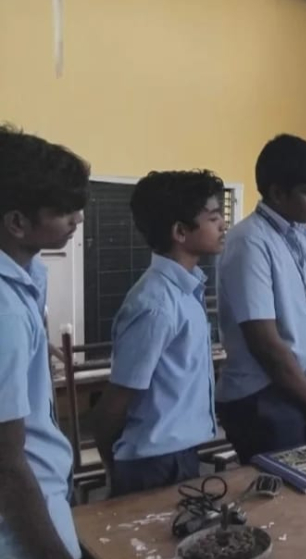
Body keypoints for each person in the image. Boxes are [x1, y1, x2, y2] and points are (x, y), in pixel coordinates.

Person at [0, 124, 91, 559]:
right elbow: (7, 461)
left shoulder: (25, 278)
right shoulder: (5, 311)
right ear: (17, 222)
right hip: (20, 546)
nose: (78, 220)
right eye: (65, 211)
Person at [93, 171, 228, 497]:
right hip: (152, 462)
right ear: (180, 232)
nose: (223, 225)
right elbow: (116, 400)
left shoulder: (186, 290)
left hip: (180, 453)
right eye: (213, 218)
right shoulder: (156, 305)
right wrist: (114, 465)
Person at [215, 135, 306, 464]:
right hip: (265, 398)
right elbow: (266, 344)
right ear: (276, 193)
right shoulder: (249, 242)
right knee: (281, 490)